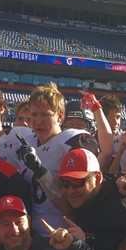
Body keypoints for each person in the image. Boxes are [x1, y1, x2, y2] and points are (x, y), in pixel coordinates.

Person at [19, 85, 101, 237]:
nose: (38, 121)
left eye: (45, 115)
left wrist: (41, 172)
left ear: (60, 116)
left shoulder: (72, 141)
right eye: (34, 115)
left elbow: (72, 206)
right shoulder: (26, 142)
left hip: (63, 233)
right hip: (29, 235)